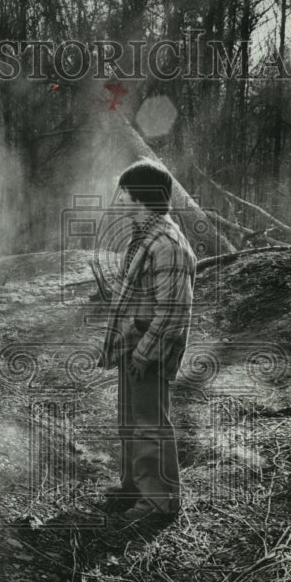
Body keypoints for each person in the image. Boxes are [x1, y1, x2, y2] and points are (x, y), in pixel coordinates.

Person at [98, 159, 196, 524]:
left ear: (138, 198)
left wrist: (144, 351)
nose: (118, 199)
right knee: (131, 420)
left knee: (150, 423)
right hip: (134, 344)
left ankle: (159, 503)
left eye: (122, 192)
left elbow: (173, 310)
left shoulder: (168, 243)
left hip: (149, 349)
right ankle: (135, 487)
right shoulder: (146, 237)